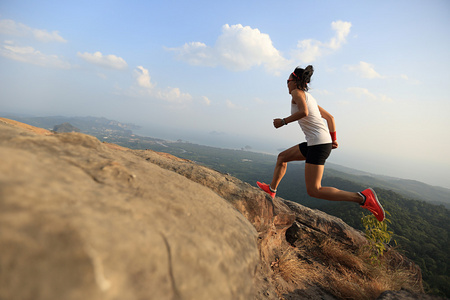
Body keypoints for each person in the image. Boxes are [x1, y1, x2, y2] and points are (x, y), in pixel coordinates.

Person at [256, 65, 385, 222]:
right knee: (282, 157)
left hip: (318, 144)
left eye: (287, 81)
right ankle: (271, 190)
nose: (287, 85)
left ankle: (363, 198)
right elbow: (330, 118)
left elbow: (304, 112)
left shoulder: (297, 93)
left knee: (314, 190)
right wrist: (334, 139)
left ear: (294, 81)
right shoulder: (309, 98)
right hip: (317, 143)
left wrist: (283, 121)